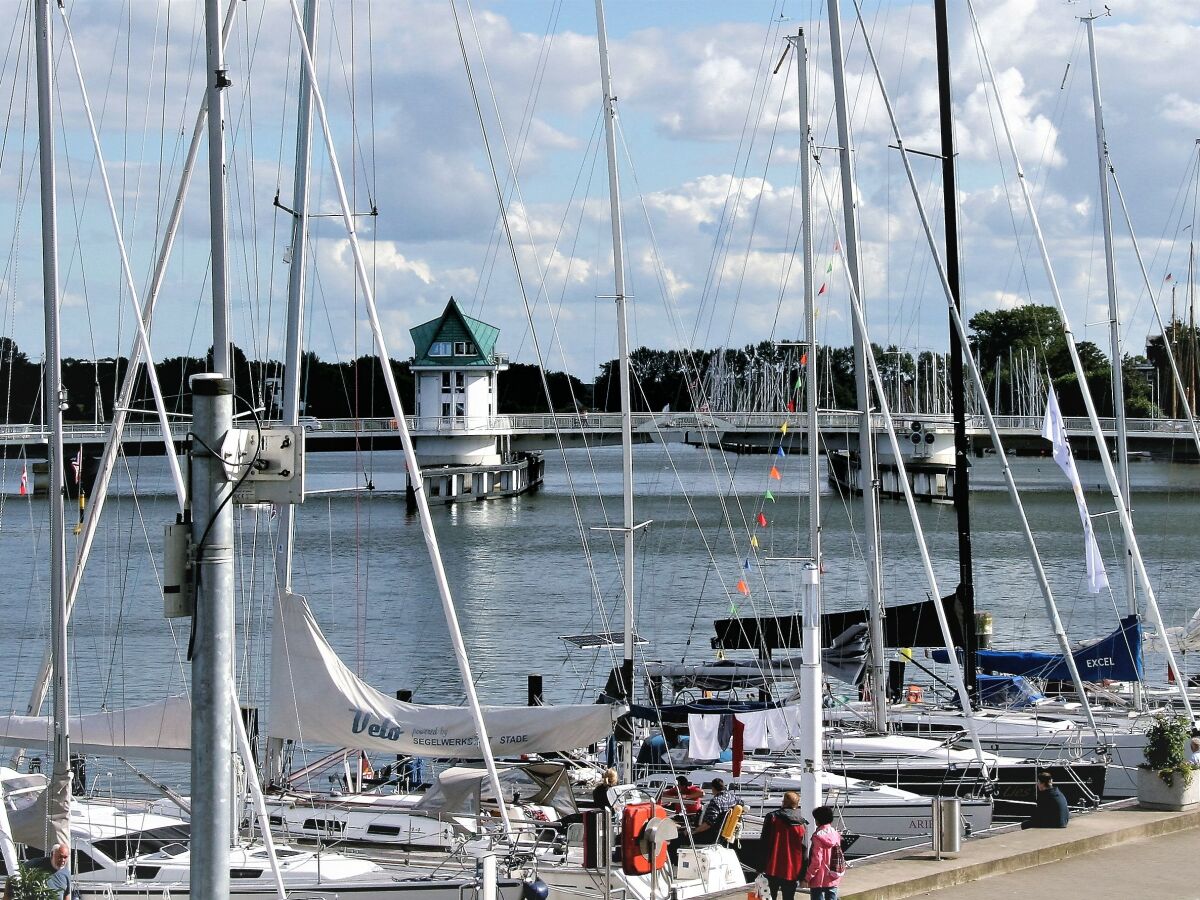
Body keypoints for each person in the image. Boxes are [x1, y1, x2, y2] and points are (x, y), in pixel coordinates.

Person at [760, 791, 807, 900]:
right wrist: (802, 874)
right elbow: (804, 849)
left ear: (783, 802)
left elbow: (764, 843)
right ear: (797, 804)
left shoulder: (772, 818)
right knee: (789, 897)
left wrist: (760, 865)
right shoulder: (802, 823)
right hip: (793, 868)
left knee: (770, 896)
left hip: (773, 866)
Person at [3, 843, 72, 900]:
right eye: (60, 856)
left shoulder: (66, 873)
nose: (63, 860)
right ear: (52, 854)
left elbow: (67, 895)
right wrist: (7, 896)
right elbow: (13, 875)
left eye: (65, 857)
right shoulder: (35, 864)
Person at [804, 805, 843, 900]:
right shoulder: (835, 833)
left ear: (818, 820)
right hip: (833, 874)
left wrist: (807, 876)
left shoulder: (817, 837)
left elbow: (816, 861)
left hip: (818, 878)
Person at [693, 777, 742, 844]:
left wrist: (694, 831)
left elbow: (709, 823)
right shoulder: (733, 797)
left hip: (712, 835)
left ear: (713, 788)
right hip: (723, 833)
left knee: (683, 836)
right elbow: (742, 803)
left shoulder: (716, 801)